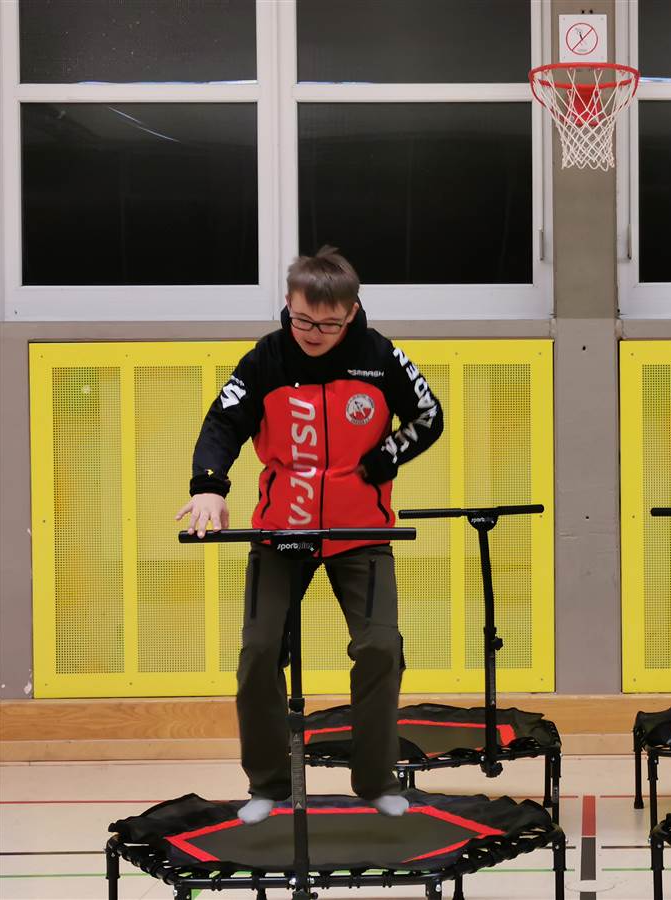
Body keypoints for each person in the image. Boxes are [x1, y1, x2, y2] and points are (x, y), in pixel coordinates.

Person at [176, 246, 443, 822]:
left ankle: (375, 780)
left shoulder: (379, 356)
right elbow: (223, 422)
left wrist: (385, 458)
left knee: (380, 648)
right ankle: (268, 785)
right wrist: (209, 486)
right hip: (281, 533)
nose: (313, 333)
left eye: (327, 323)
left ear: (351, 313)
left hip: (360, 531)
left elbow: (429, 416)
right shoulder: (265, 360)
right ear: (288, 307)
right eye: (301, 319)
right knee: (259, 653)